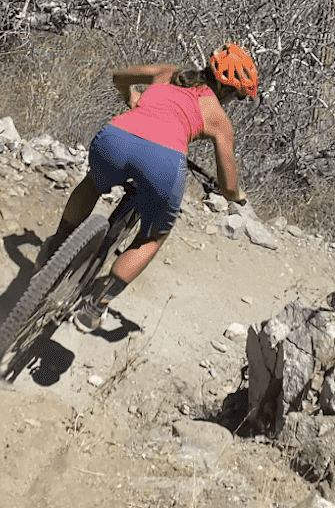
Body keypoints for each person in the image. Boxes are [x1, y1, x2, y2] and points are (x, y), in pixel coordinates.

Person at [35, 43, 258, 332]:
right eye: (236, 96)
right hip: (163, 163)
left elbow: (118, 76)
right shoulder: (218, 118)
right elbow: (228, 185)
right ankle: (96, 306)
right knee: (153, 237)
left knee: (92, 184)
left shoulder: (167, 73)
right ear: (227, 90)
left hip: (116, 138)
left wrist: (131, 96)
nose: (232, 101)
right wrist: (237, 195)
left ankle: (56, 245)